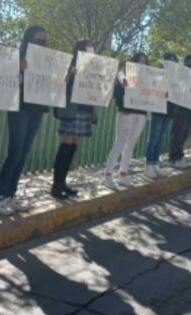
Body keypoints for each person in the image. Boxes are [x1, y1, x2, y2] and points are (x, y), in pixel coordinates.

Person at [0, 26, 49, 216]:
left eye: (43, 37)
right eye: (37, 36)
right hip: (19, 109)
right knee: (14, 153)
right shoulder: (16, 56)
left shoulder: (46, 59)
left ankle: (10, 196)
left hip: (36, 109)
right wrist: (18, 70)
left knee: (23, 155)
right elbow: (2, 78)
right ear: (28, 37)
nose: (41, 39)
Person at [51, 39, 96, 199]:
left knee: (73, 147)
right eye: (88, 48)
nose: (91, 51)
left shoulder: (93, 66)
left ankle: (63, 182)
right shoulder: (70, 63)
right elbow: (59, 82)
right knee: (65, 146)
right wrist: (71, 73)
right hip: (71, 109)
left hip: (84, 109)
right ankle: (56, 185)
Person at [104, 52, 149, 189]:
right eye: (139, 61)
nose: (141, 64)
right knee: (120, 143)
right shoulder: (122, 73)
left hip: (140, 113)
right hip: (127, 112)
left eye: (144, 62)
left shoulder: (147, 76)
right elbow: (123, 84)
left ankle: (123, 173)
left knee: (131, 144)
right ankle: (108, 174)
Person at [144, 52, 178, 178]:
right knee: (153, 138)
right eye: (170, 61)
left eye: (174, 61)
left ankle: (155, 163)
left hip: (169, 111)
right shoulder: (157, 74)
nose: (172, 63)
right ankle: (148, 165)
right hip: (158, 109)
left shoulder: (175, 77)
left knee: (160, 139)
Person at [168, 55, 191, 169]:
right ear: (185, 63)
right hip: (180, 108)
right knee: (178, 133)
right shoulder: (179, 74)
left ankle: (180, 155)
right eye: (190, 64)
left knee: (185, 132)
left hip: (190, 108)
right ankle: (174, 157)